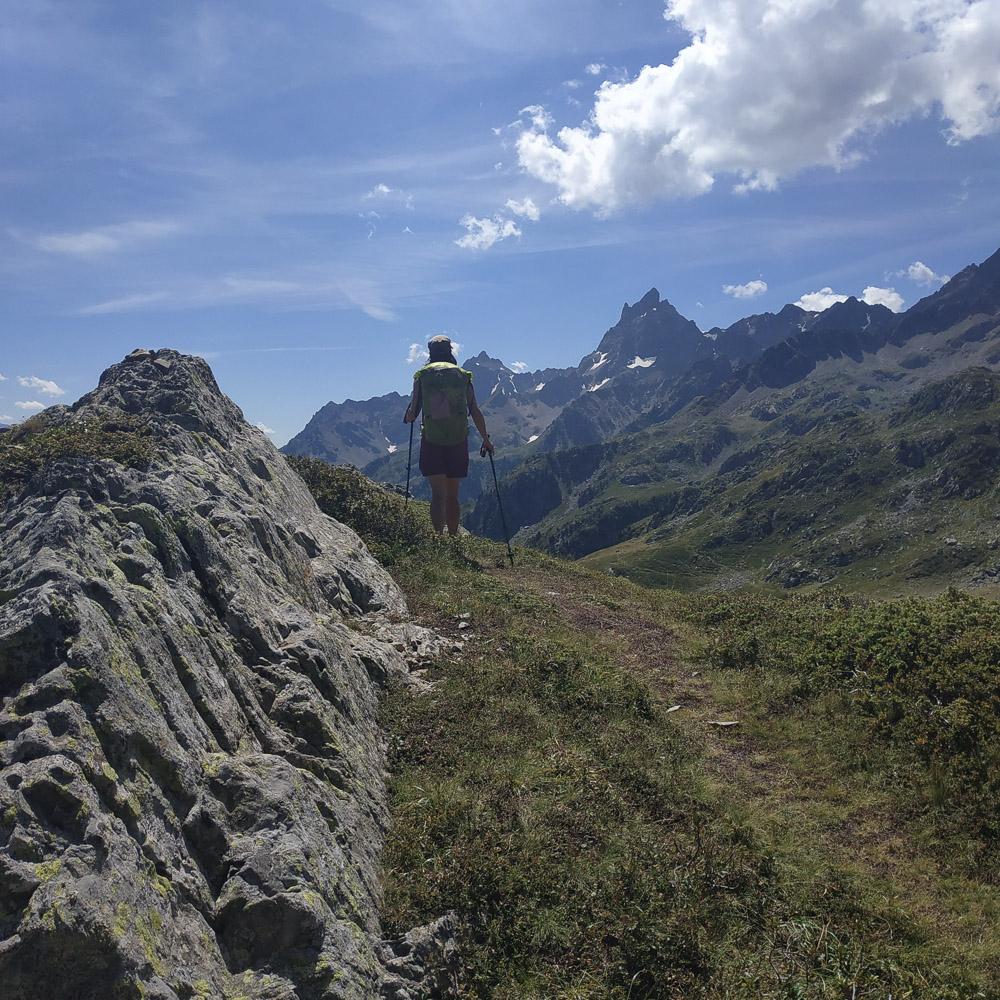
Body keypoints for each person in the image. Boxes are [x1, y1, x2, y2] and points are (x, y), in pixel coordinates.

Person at [404, 335, 494, 536]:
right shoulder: (463, 375)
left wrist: (408, 415)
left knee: (438, 494)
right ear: (450, 351)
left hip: (432, 440)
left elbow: (412, 413)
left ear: (430, 353)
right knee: (453, 495)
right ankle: (453, 539)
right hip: (458, 440)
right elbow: (474, 410)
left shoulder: (422, 376)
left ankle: (438, 538)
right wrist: (486, 439)